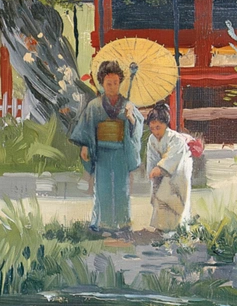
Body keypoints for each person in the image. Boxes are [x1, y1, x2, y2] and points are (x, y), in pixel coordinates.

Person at [69, 60, 144, 235]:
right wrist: (86, 146)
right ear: (102, 83)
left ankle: (122, 223)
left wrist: (131, 118)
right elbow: (87, 128)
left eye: (116, 83)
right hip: (101, 152)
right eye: (108, 83)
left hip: (120, 151)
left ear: (120, 83)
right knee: (102, 188)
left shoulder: (128, 105)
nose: (112, 87)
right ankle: (101, 223)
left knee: (121, 188)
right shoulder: (94, 106)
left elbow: (137, 127)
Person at [145, 100, 193, 234]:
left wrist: (161, 168)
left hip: (178, 170)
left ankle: (178, 227)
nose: (155, 131)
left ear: (165, 124)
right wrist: (153, 170)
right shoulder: (151, 140)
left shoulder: (175, 138)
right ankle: (162, 226)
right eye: (152, 128)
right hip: (162, 172)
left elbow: (174, 156)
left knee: (171, 196)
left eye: (158, 127)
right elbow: (152, 158)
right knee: (159, 196)